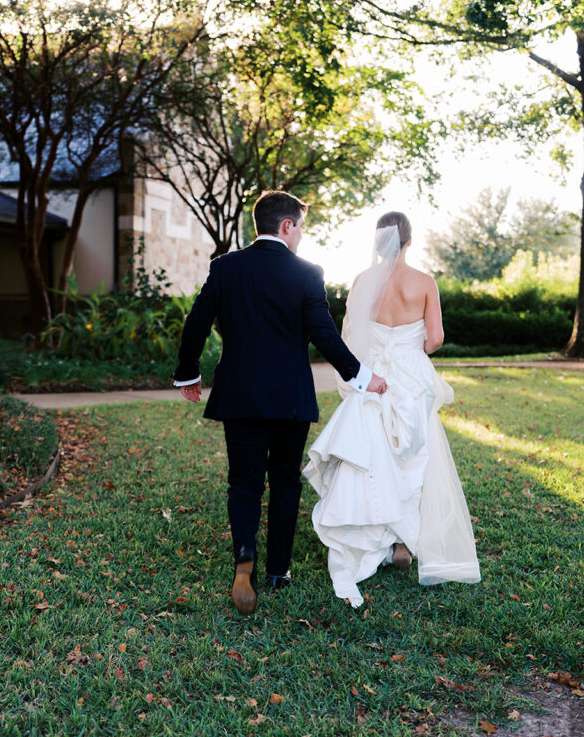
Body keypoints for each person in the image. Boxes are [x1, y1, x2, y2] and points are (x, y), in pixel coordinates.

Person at [173, 190, 387, 616]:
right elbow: (324, 334)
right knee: (285, 480)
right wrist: (363, 377)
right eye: (301, 227)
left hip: (239, 394)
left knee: (244, 482)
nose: (302, 235)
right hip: (290, 396)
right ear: (286, 225)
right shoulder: (307, 272)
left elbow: (196, 321)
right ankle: (278, 570)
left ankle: (244, 557)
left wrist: (188, 373)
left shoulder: (226, 267)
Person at [303, 212, 481, 607]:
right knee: (411, 458)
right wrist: (413, 345)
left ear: (378, 240)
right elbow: (435, 338)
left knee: (372, 455)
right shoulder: (424, 282)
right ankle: (402, 541)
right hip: (411, 379)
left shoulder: (362, 281)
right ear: (409, 240)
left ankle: (372, 531)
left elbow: (350, 336)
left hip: (373, 377)